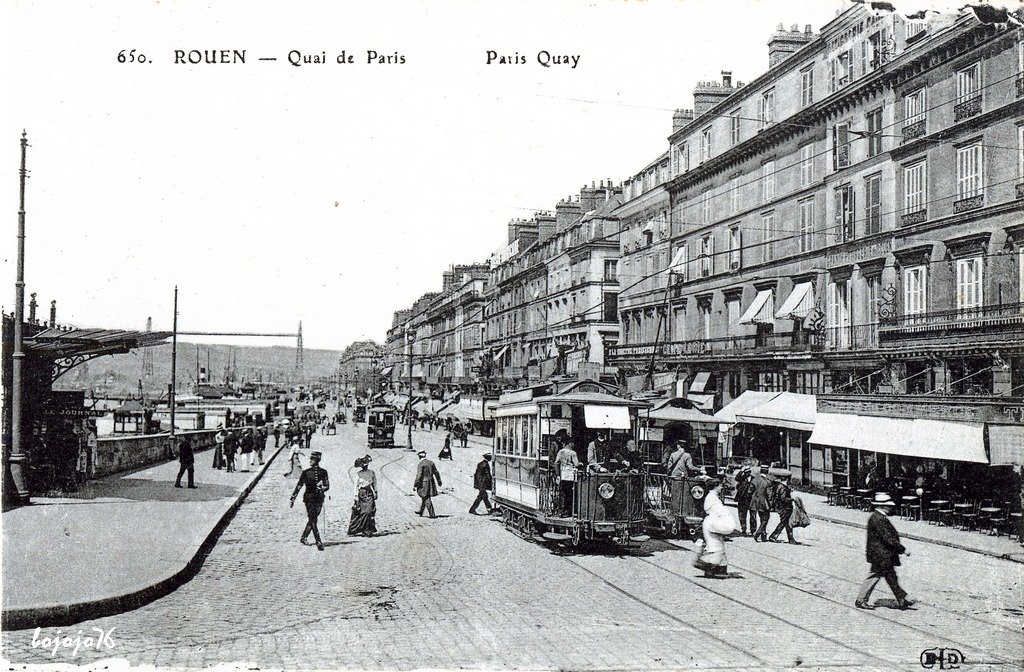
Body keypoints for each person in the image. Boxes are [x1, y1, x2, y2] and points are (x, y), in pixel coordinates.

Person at [855, 493, 915, 610]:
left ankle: (902, 599)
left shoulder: (876, 517)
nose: (890, 507)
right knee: (885, 576)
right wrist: (903, 549)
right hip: (882, 555)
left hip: (880, 554)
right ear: (881, 506)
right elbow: (888, 539)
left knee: (884, 576)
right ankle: (903, 598)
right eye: (888, 505)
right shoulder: (879, 519)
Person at [290, 451, 329, 550]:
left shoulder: (323, 472)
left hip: (319, 498)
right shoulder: (306, 472)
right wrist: (293, 498)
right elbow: (299, 486)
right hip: (309, 498)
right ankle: (318, 541)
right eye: (310, 459)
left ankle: (303, 537)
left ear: (317, 461)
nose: (310, 461)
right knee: (313, 519)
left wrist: (323, 488)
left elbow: (327, 485)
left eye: (312, 459)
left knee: (312, 518)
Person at [694, 479, 732, 577]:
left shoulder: (713, 496)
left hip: (713, 522)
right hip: (712, 523)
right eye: (720, 485)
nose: (721, 487)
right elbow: (716, 510)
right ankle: (710, 570)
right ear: (715, 486)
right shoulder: (712, 497)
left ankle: (719, 570)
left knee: (717, 547)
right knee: (715, 548)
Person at [348, 456, 378, 536]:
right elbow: (355, 485)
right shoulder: (359, 474)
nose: (365, 466)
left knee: (369, 511)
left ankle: (368, 529)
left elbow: (374, 482)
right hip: (361, 493)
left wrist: (376, 491)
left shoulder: (372, 472)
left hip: (369, 493)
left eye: (366, 465)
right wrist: (355, 496)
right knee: (362, 512)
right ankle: (363, 529)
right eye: (363, 466)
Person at [768, 470, 799, 544]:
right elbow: (783, 499)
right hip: (785, 508)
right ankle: (773, 536)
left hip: (782, 508)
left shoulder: (780, 486)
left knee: (788, 523)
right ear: (787, 479)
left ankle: (791, 539)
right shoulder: (783, 487)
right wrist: (792, 499)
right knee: (783, 523)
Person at [554, 439, 580, 516]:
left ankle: (562, 511)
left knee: (563, 493)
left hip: (563, 475)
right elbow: (576, 464)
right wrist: (581, 464)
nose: (573, 445)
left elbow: (556, 463)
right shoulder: (572, 453)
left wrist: (558, 474)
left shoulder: (560, 452)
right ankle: (570, 511)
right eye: (573, 443)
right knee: (571, 494)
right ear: (570, 444)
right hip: (571, 476)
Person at [414, 450, 443, 518]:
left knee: (426, 497)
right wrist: (439, 481)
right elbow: (436, 472)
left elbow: (419, 475)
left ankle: (432, 514)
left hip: (423, 483)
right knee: (425, 496)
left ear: (419, 456)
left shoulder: (421, 464)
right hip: (431, 482)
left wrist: (415, 484)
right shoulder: (431, 463)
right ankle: (421, 511)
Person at [749, 466, 773, 542]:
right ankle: (760, 533)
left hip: (754, 502)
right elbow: (769, 495)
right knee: (765, 518)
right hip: (763, 503)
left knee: (754, 517)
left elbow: (749, 491)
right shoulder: (767, 482)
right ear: (767, 472)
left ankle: (761, 534)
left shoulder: (754, 480)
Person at [734, 467, 755, 536]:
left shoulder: (754, 479)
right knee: (742, 516)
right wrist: (741, 470)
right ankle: (743, 530)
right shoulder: (742, 478)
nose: (746, 474)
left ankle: (753, 530)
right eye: (745, 473)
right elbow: (736, 478)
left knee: (753, 516)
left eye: (748, 473)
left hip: (751, 500)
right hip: (742, 499)